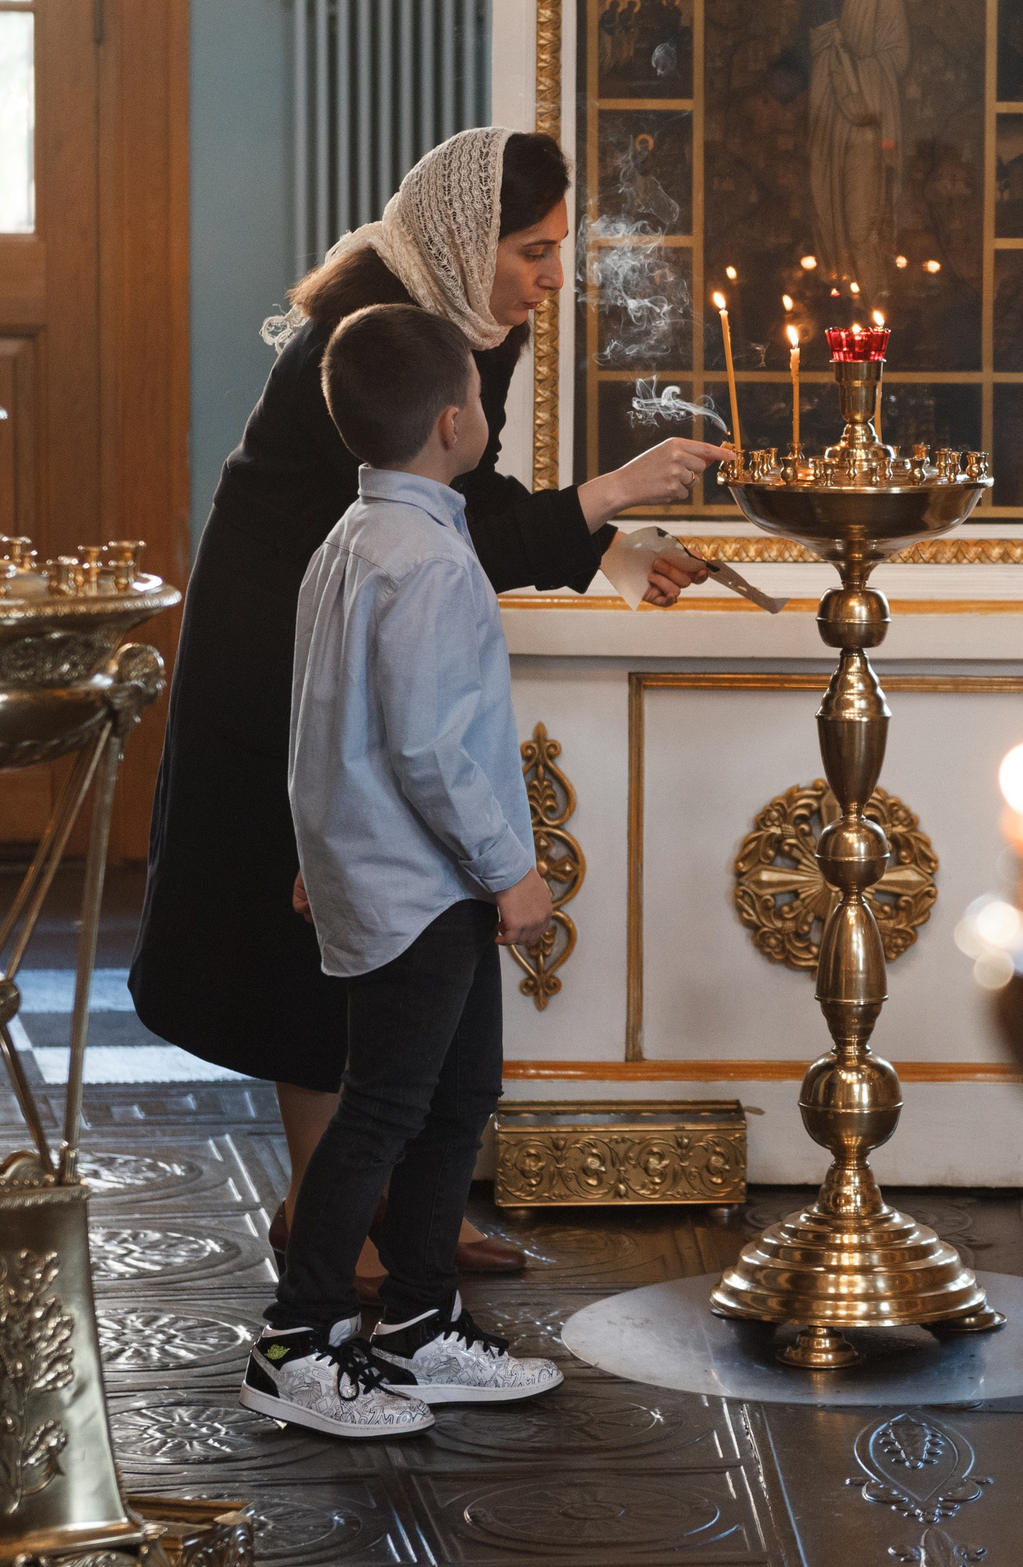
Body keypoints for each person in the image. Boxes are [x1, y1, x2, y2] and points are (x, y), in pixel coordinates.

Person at [132, 128, 731, 1295]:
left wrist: (611, 548)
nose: (553, 276)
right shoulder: (363, 332)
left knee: (395, 941)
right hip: (287, 653)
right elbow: (426, 514)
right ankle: (323, 1216)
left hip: (354, 623)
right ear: (469, 243)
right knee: (313, 943)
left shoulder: (466, 311)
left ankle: (401, 1209)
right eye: (534, 250)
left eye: (559, 249)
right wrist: (610, 494)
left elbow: (464, 491)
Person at [240, 303, 563, 1437]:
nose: (484, 412)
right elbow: (426, 742)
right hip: (424, 884)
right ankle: (300, 1340)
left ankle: (423, 1322)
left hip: (404, 875)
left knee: (459, 1096)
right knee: (382, 1109)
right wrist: (510, 869)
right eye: (478, 397)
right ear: (449, 422)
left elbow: (323, 716)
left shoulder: (355, 536)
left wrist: (312, 843)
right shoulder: (423, 558)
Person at [799, 0, 907, 298]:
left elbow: (895, 56)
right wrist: (827, 51)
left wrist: (849, 62)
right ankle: (842, 300)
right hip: (826, 115)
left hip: (865, 120)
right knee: (827, 214)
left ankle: (873, 304)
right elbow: (805, 44)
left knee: (861, 224)